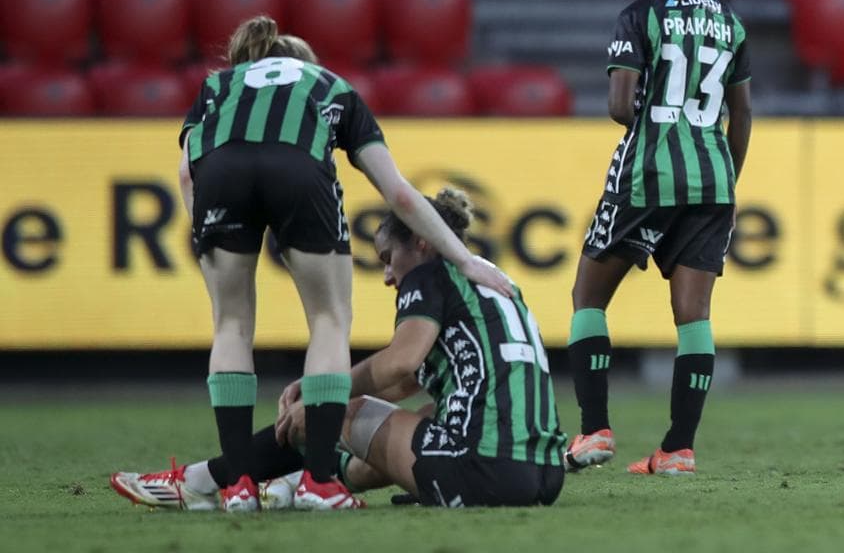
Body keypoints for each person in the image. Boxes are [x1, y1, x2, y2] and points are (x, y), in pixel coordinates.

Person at [176, 16, 512, 511]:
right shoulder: (330, 86)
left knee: (231, 326)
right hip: (299, 173)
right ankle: (318, 482)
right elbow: (397, 192)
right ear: (303, 66)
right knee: (329, 321)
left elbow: (187, 172)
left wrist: (204, 231)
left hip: (219, 178)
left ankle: (238, 485)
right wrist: (464, 258)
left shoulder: (217, 86)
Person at [110, 188, 565, 509]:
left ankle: (200, 480)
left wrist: (325, 390)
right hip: (542, 474)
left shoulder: (430, 273)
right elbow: (411, 380)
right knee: (418, 421)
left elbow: (399, 363)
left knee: (335, 414)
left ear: (422, 242)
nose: (388, 276)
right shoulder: (493, 280)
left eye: (388, 258)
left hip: (485, 471)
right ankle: (292, 484)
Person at [564, 0, 752, 476]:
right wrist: (723, 173)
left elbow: (621, 106)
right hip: (714, 177)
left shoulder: (639, 15)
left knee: (588, 297)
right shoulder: (729, 20)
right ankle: (678, 448)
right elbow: (741, 114)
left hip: (648, 172)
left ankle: (594, 431)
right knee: (693, 316)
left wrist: (658, 123)